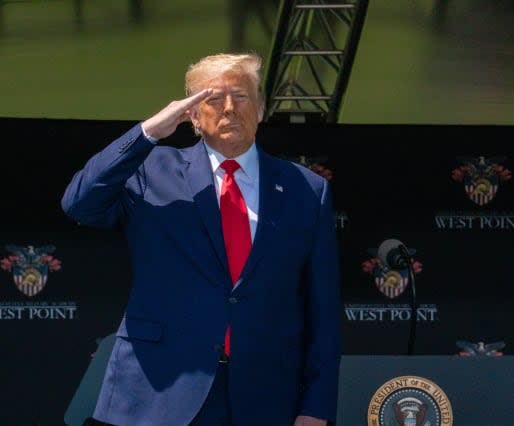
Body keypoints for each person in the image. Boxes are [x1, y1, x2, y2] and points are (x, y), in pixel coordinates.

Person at [61, 52, 341, 426]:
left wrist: (316, 406)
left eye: (241, 97)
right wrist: (147, 133)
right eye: (212, 98)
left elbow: (322, 310)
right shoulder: (150, 170)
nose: (229, 108)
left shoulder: (307, 189)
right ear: (191, 115)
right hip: (157, 392)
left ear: (260, 109)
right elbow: (80, 203)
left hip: (265, 396)